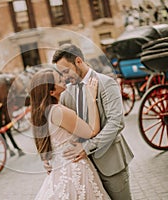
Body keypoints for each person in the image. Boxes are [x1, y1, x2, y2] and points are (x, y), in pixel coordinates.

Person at [51, 44, 134, 200]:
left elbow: (116, 122)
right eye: (61, 73)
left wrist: (87, 147)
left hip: (110, 164)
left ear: (78, 61)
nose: (65, 77)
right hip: (84, 169)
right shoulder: (66, 94)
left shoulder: (106, 83)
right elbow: (65, 130)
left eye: (66, 71)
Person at [31, 68, 110, 199]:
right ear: (52, 92)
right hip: (73, 168)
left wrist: (45, 160)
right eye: (59, 80)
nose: (64, 79)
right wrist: (91, 99)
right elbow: (92, 131)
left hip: (58, 169)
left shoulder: (41, 112)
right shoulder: (59, 111)